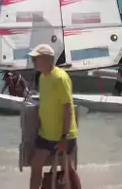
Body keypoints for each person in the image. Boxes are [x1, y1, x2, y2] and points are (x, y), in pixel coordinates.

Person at [27, 44, 81, 189]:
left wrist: (64, 135)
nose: (33, 62)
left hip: (62, 134)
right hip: (46, 134)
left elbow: (68, 107)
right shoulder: (43, 77)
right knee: (35, 164)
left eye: (36, 59)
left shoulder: (60, 77)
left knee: (67, 169)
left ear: (47, 59)